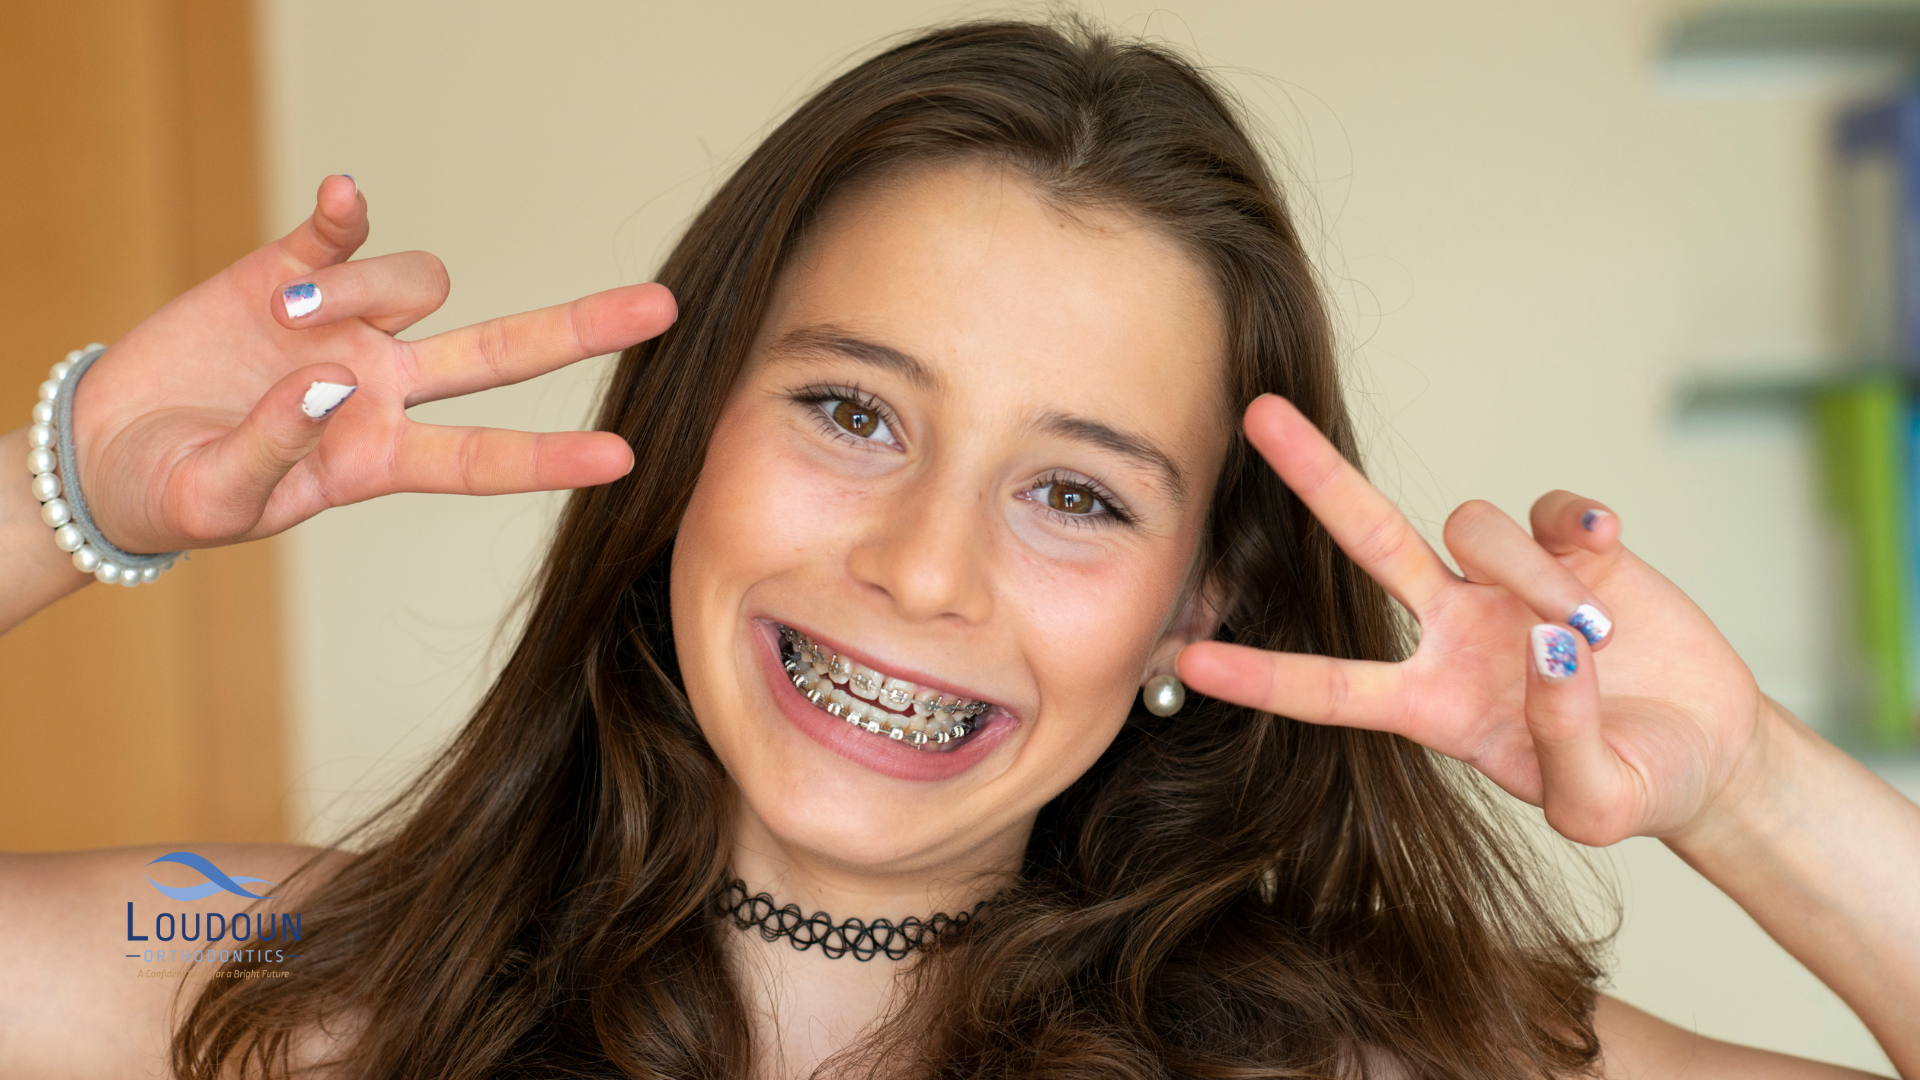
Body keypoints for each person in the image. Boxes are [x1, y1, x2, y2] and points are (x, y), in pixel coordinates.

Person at [3, 18, 1916, 1080]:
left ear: (1205, 596)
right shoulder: (283, 976)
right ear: (684, 449)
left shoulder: (1386, 1059)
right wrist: (64, 486)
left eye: (1077, 492)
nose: (926, 572)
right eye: (850, 414)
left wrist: (1742, 788)